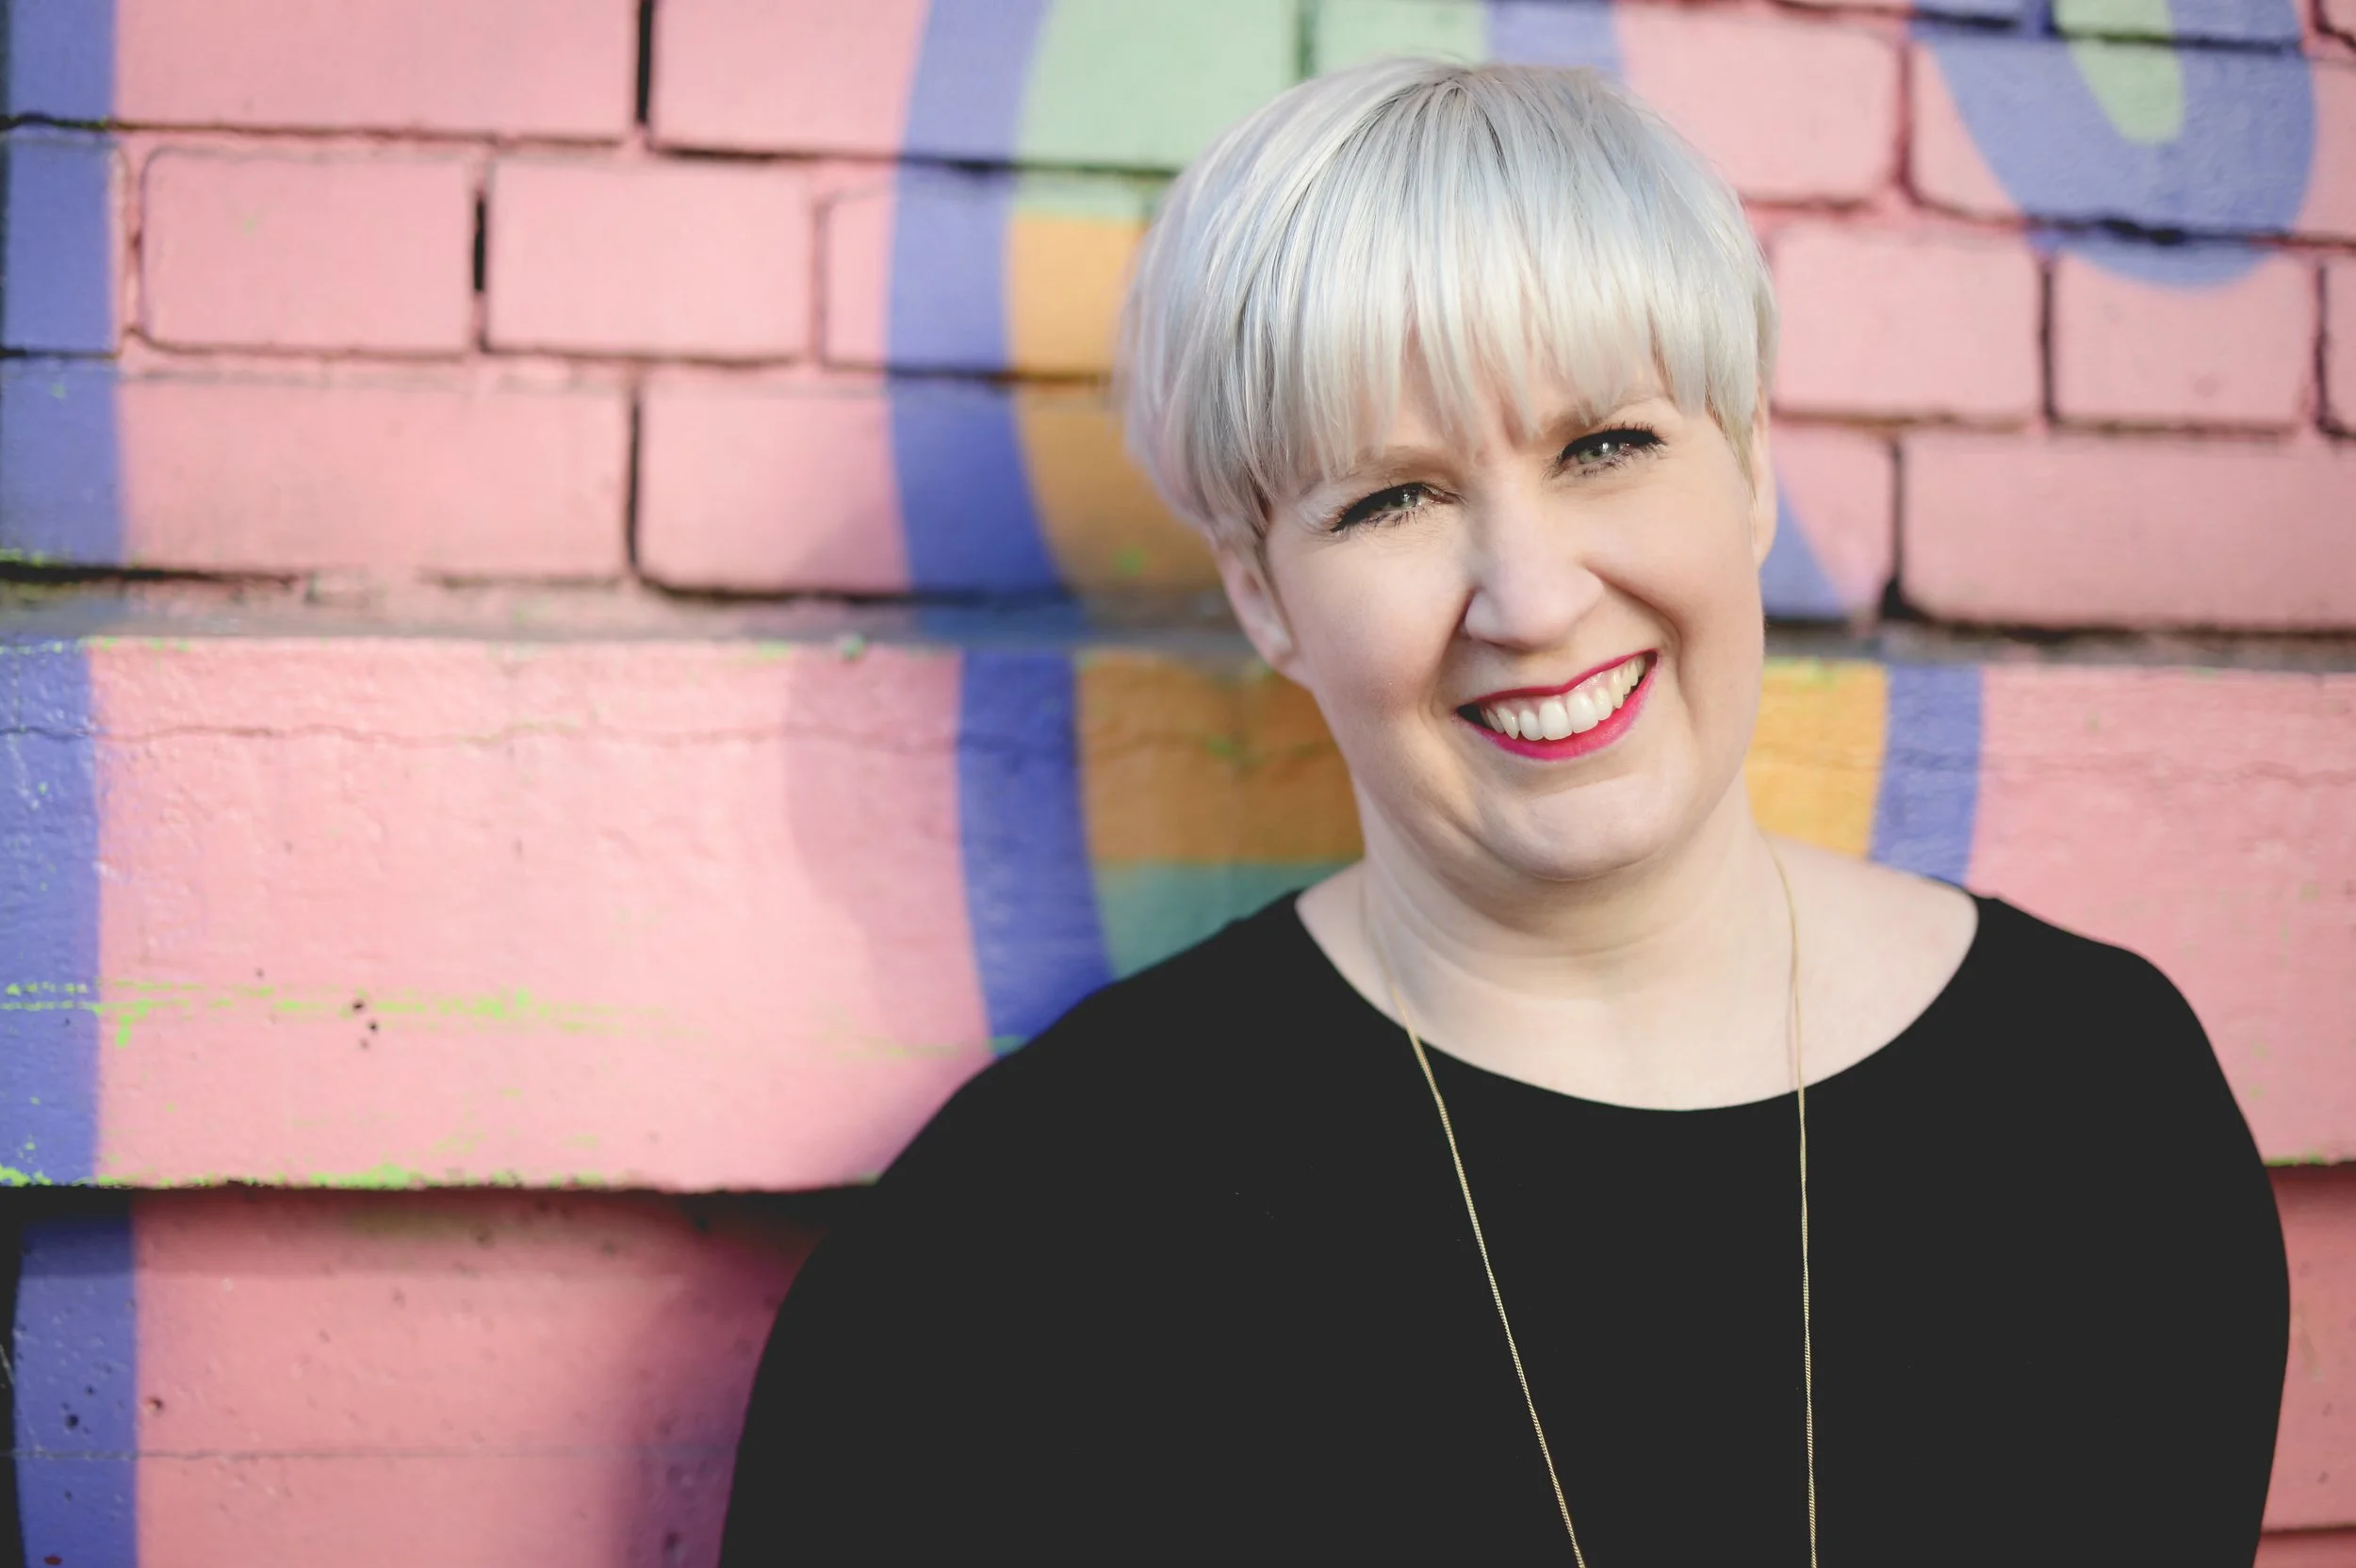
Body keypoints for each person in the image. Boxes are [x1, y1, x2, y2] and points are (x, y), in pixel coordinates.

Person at [721, 59, 2286, 1565]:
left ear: (1747, 471)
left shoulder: (2104, 1101)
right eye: (1392, 500)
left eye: (1606, 446)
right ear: (1265, 598)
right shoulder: (1016, 1263)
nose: (1532, 599)